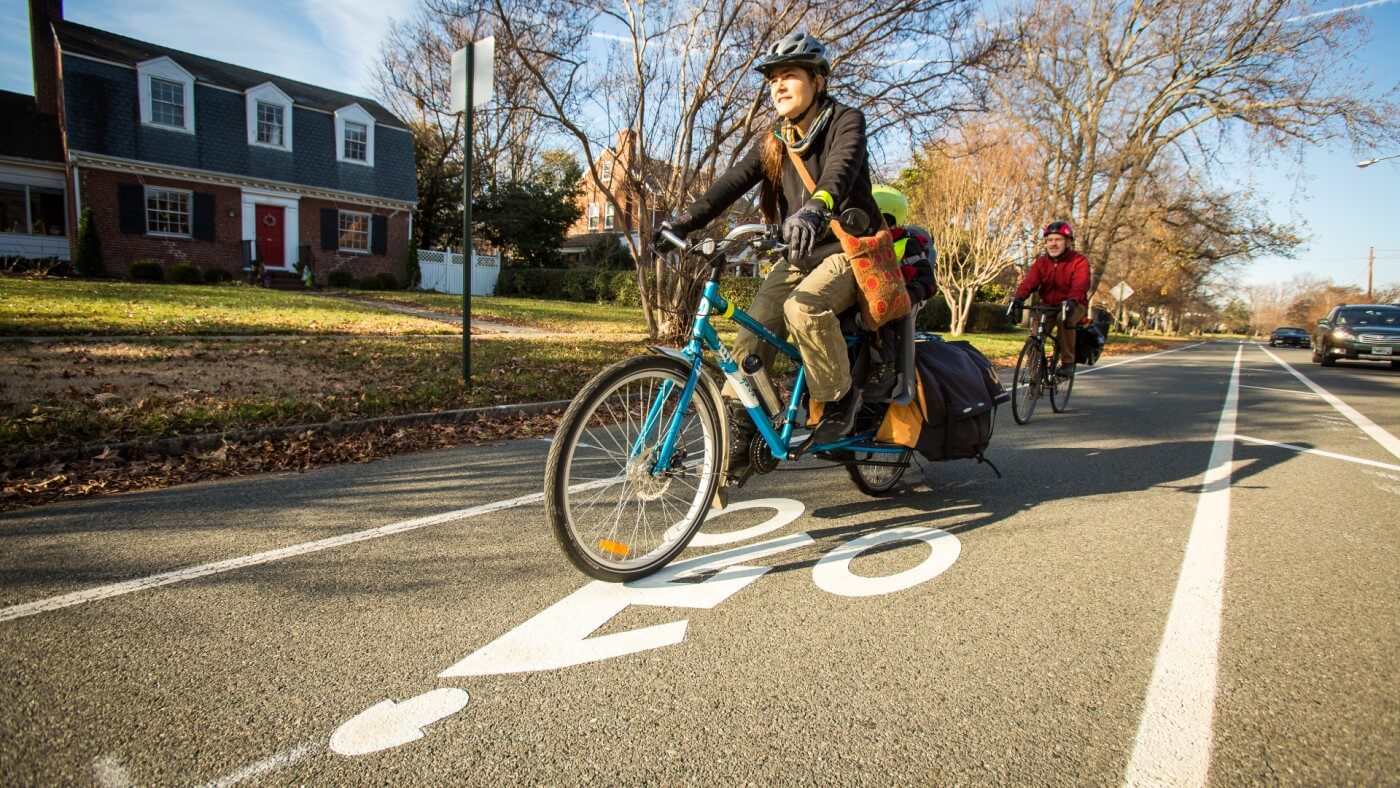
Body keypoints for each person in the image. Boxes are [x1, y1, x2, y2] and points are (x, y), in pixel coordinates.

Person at [654, 32, 881, 448]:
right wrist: (683, 222)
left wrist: (815, 209)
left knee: (803, 306)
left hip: (848, 251)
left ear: (818, 81)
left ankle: (839, 399)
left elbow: (840, 169)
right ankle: (743, 423)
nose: (777, 86)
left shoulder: (846, 120)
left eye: (789, 76)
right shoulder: (777, 140)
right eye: (772, 78)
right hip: (799, 254)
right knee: (754, 324)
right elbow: (730, 183)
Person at [1011, 221, 1091, 375]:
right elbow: (1029, 282)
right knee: (1035, 334)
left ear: (1068, 242)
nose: (1053, 244)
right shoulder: (1041, 263)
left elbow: (1080, 285)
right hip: (1048, 305)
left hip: (1074, 304)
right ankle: (1036, 372)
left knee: (1064, 318)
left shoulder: (1079, 261)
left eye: (1058, 240)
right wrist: (1018, 298)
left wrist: (1072, 300)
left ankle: (1068, 362)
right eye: (1050, 240)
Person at [872, 184, 935, 304]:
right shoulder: (858, 240)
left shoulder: (908, 245)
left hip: (897, 303)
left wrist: (910, 296)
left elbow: (928, 282)